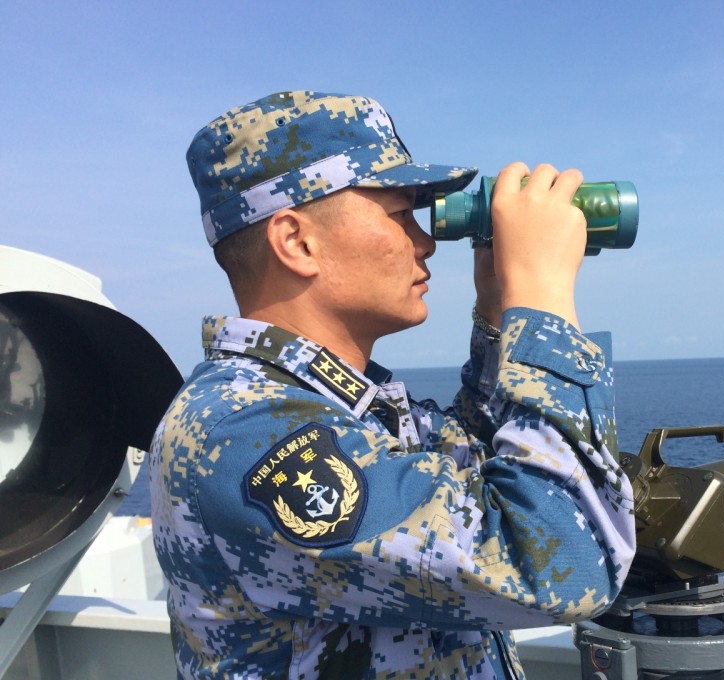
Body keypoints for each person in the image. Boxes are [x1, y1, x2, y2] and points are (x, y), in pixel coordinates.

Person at [150, 90, 635, 679]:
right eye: (401, 215)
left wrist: (500, 313)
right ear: (296, 241)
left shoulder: (329, 404)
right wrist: (544, 299)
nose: (426, 243)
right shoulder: (243, 432)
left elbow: (478, 472)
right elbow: (560, 562)